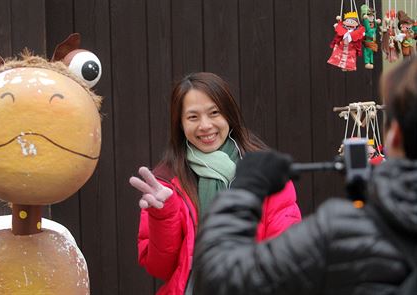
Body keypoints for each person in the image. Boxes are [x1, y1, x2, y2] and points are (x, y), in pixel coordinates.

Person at [193, 58, 417, 295]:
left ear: (394, 136)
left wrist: (244, 190)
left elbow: (219, 279)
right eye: (193, 117)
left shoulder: (341, 230)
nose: (205, 126)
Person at [129, 72, 302, 294]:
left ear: (228, 115)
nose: (205, 125)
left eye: (214, 113)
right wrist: (164, 215)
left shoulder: (267, 174)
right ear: (180, 124)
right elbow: (159, 268)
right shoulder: (166, 183)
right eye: (193, 117)